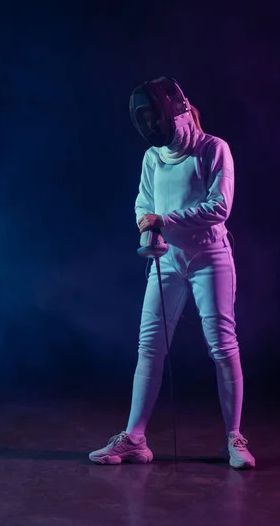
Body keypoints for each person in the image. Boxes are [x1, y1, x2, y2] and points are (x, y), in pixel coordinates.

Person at [89, 77, 255, 469]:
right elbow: (143, 201)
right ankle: (135, 439)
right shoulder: (152, 158)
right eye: (142, 121)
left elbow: (219, 207)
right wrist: (147, 224)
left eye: (153, 117)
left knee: (222, 346)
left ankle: (234, 437)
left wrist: (164, 218)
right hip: (165, 259)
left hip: (210, 256)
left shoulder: (214, 149)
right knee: (149, 348)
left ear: (176, 112)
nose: (149, 127)